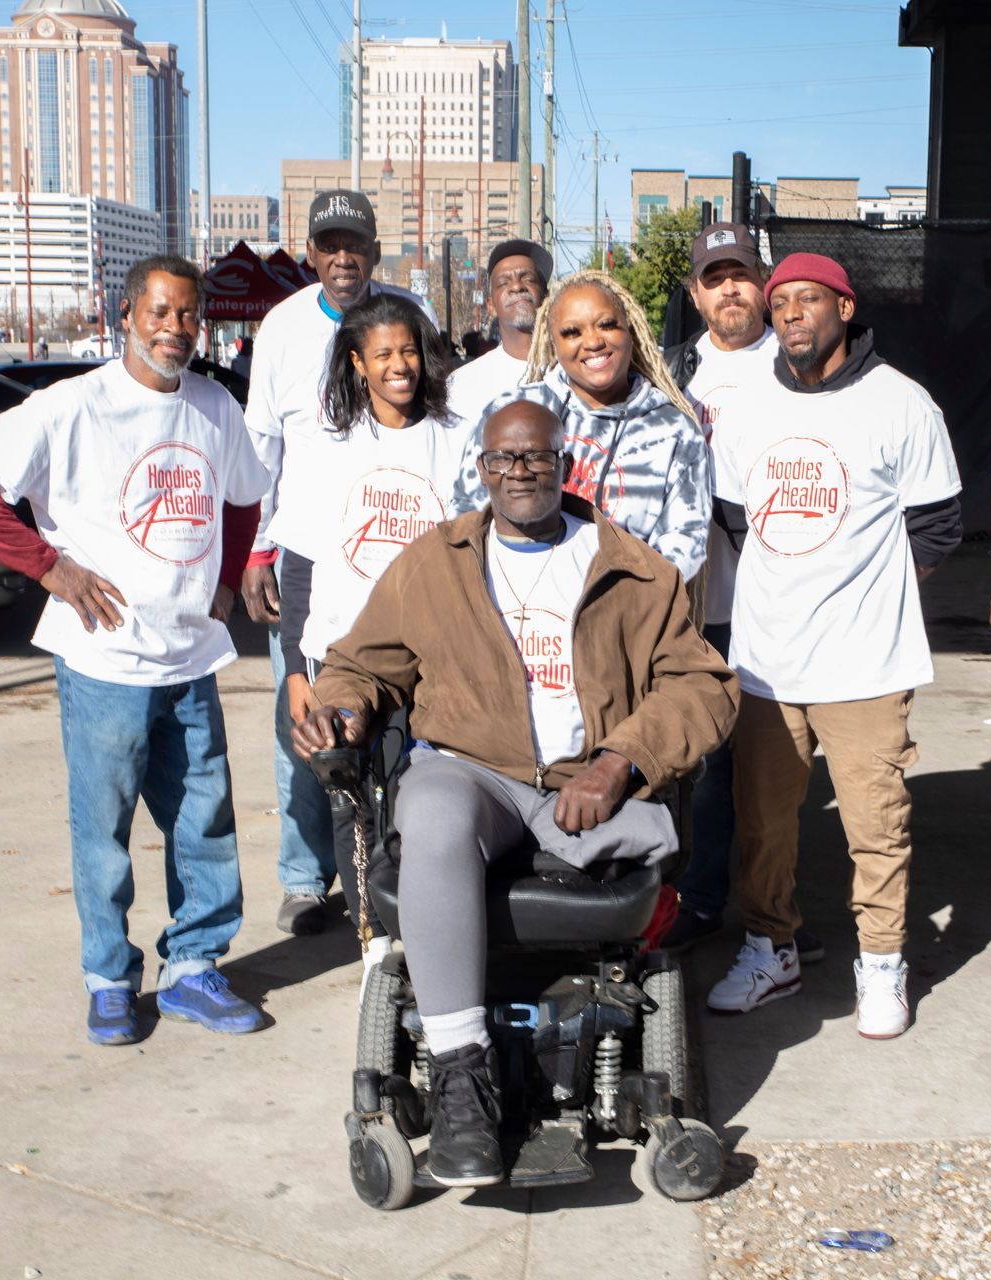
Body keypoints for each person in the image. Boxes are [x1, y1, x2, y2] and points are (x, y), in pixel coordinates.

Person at [294, 398, 738, 1187]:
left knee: (630, 849)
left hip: (585, 787)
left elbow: (703, 687)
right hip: (473, 771)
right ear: (482, 469)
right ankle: (464, 1085)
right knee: (427, 807)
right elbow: (362, 664)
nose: (519, 471)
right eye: (503, 459)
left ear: (566, 464)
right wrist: (342, 709)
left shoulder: (633, 569)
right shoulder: (435, 563)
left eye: (535, 456)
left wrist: (622, 760)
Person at [0, 254, 271, 1046]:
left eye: (189, 315)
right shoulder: (73, 406)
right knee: (103, 826)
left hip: (188, 655)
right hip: (104, 660)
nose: (176, 329)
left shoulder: (216, 406)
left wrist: (223, 583)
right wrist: (48, 566)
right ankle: (110, 978)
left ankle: (193, 968)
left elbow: (245, 501)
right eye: (160, 312)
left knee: (204, 820)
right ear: (125, 315)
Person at [704, 253, 963, 1041]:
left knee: (875, 824)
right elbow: (737, 518)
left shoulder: (902, 404)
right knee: (765, 823)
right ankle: (769, 948)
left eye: (808, 300)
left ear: (845, 309)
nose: (790, 314)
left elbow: (938, 526)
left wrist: (870, 596)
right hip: (768, 661)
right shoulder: (746, 405)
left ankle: (882, 964)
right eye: (781, 302)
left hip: (866, 664)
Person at [239, 189, 435, 936]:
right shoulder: (283, 327)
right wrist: (259, 546)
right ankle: (303, 878)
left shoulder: (412, 313)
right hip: (309, 547)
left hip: (401, 556)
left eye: (357, 243)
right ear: (311, 253)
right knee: (304, 724)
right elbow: (264, 447)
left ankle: (402, 873)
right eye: (330, 244)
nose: (344, 257)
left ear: (376, 251)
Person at [271, 294, 468, 961]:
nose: (399, 366)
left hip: (437, 655)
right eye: (382, 354)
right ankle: (374, 942)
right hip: (345, 654)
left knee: (428, 797)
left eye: (409, 350)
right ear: (357, 363)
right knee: (352, 798)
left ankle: (431, 933)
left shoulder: (458, 435)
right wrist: (299, 671)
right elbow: (296, 566)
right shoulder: (327, 446)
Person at [654, 223, 820, 964]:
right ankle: (689, 901)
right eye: (715, 277)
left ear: (765, 283)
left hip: (773, 600)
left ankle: (769, 914)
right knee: (686, 764)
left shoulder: (802, 364)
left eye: (742, 274)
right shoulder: (667, 371)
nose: (730, 289)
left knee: (767, 768)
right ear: (695, 293)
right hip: (685, 606)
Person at [452, 269, 709, 584]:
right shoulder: (509, 411)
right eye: (572, 332)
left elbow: (686, 540)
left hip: (625, 618)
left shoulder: (674, 430)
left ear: (631, 330)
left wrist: (627, 603)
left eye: (607, 324)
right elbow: (465, 514)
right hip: (516, 615)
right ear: (553, 342)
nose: (593, 341)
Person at [446, 239, 551, 429]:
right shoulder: (461, 384)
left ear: (547, 297)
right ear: (491, 306)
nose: (517, 287)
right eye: (504, 283)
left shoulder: (574, 372)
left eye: (528, 279)